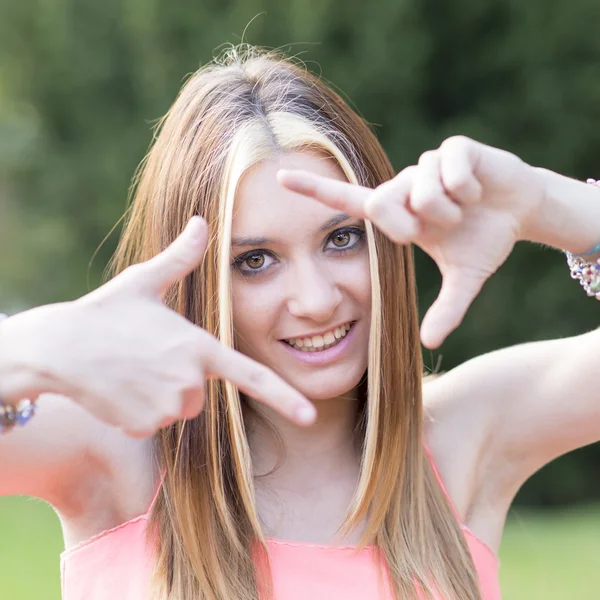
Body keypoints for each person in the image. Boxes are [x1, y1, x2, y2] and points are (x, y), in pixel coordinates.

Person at [0, 45, 598, 600]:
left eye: (341, 239)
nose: (315, 300)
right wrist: (43, 345)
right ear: (198, 287)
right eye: (254, 261)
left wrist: (550, 205)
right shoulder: (119, 451)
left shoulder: (465, 436)